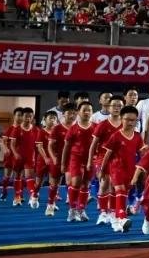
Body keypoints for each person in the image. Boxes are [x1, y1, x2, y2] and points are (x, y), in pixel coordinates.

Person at [99, 106, 143, 233]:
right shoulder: (116, 136)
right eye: (127, 119)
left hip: (130, 170)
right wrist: (102, 170)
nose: (130, 122)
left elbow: (141, 155)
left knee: (119, 194)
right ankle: (122, 218)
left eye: (133, 120)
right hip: (116, 168)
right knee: (120, 190)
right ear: (121, 119)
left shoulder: (137, 136)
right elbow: (107, 155)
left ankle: (115, 219)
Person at [89, 96, 124, 225]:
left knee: (115, 186)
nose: (116, 108)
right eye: (114, 105)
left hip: (118, 160)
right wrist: (90, 161)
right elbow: (93, 144)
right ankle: (103, 213)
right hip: (102, 158)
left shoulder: (125, 125)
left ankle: (112, 212)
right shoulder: (102, 125)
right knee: (104, 183)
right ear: (109, 107)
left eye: (119, 106)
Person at [61, 102, 96, 222]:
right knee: (76, 182)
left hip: (91, 159)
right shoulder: (73, 128)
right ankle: (72, 210)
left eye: (89, 110)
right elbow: (66, 147)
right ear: (78, 112)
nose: (87, 112)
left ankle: (81, 209)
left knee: (86, 184)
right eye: (84, 110)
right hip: (75, 158)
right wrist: (63, 164)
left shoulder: (96, 127)